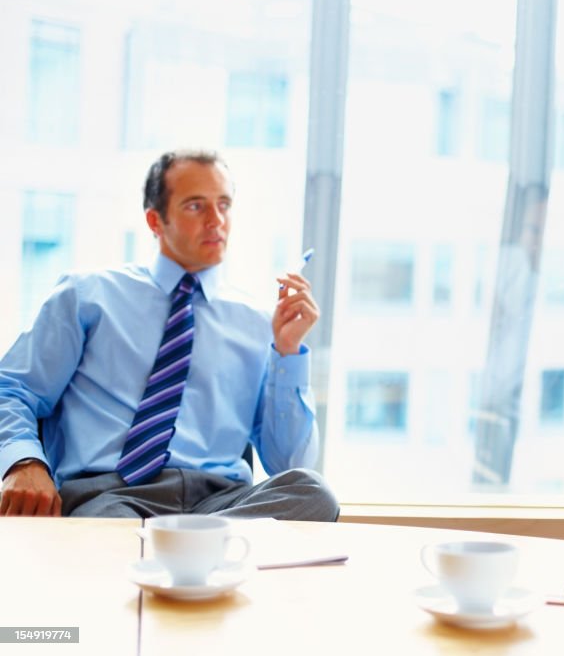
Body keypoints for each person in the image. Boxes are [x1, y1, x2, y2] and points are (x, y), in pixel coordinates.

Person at [0, 150, 338, 520]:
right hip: (112, 496)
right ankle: (195, 549)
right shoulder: (86, 296)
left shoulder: (259, 324)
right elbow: (14, 389)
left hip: (220, 502)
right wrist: (23, 462)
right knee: (107, 525)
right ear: (155, 220)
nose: (216, 221)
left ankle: (176, 545)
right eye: (196, 206)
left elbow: (288, 463)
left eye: (224, 205)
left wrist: (287, 352)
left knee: (313, 492)